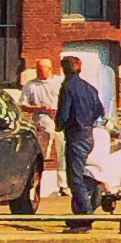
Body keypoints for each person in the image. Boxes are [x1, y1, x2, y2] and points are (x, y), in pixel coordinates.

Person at [54, 55, 107, 231]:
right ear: (79, 67)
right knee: (83, 174)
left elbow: (63, 113)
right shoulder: (90, 88)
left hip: (75, 135)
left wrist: (60, 126)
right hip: (89, 134)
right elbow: (100, 111)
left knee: (74, 178)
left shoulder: (67, 87)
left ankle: (85, 218)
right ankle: (79, 214)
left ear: (63, 69)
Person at [19, 57, 57, 205]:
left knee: (62, 149)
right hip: (41, 117)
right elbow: (23, 105)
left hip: (59, 116)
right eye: (38, 69)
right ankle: (41, 185)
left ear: (50, 69)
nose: (40, 72)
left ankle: (62, 184)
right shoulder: (31, 85)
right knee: (44, 150)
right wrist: (39, 108)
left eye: (43, 69)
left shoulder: (58, 83)